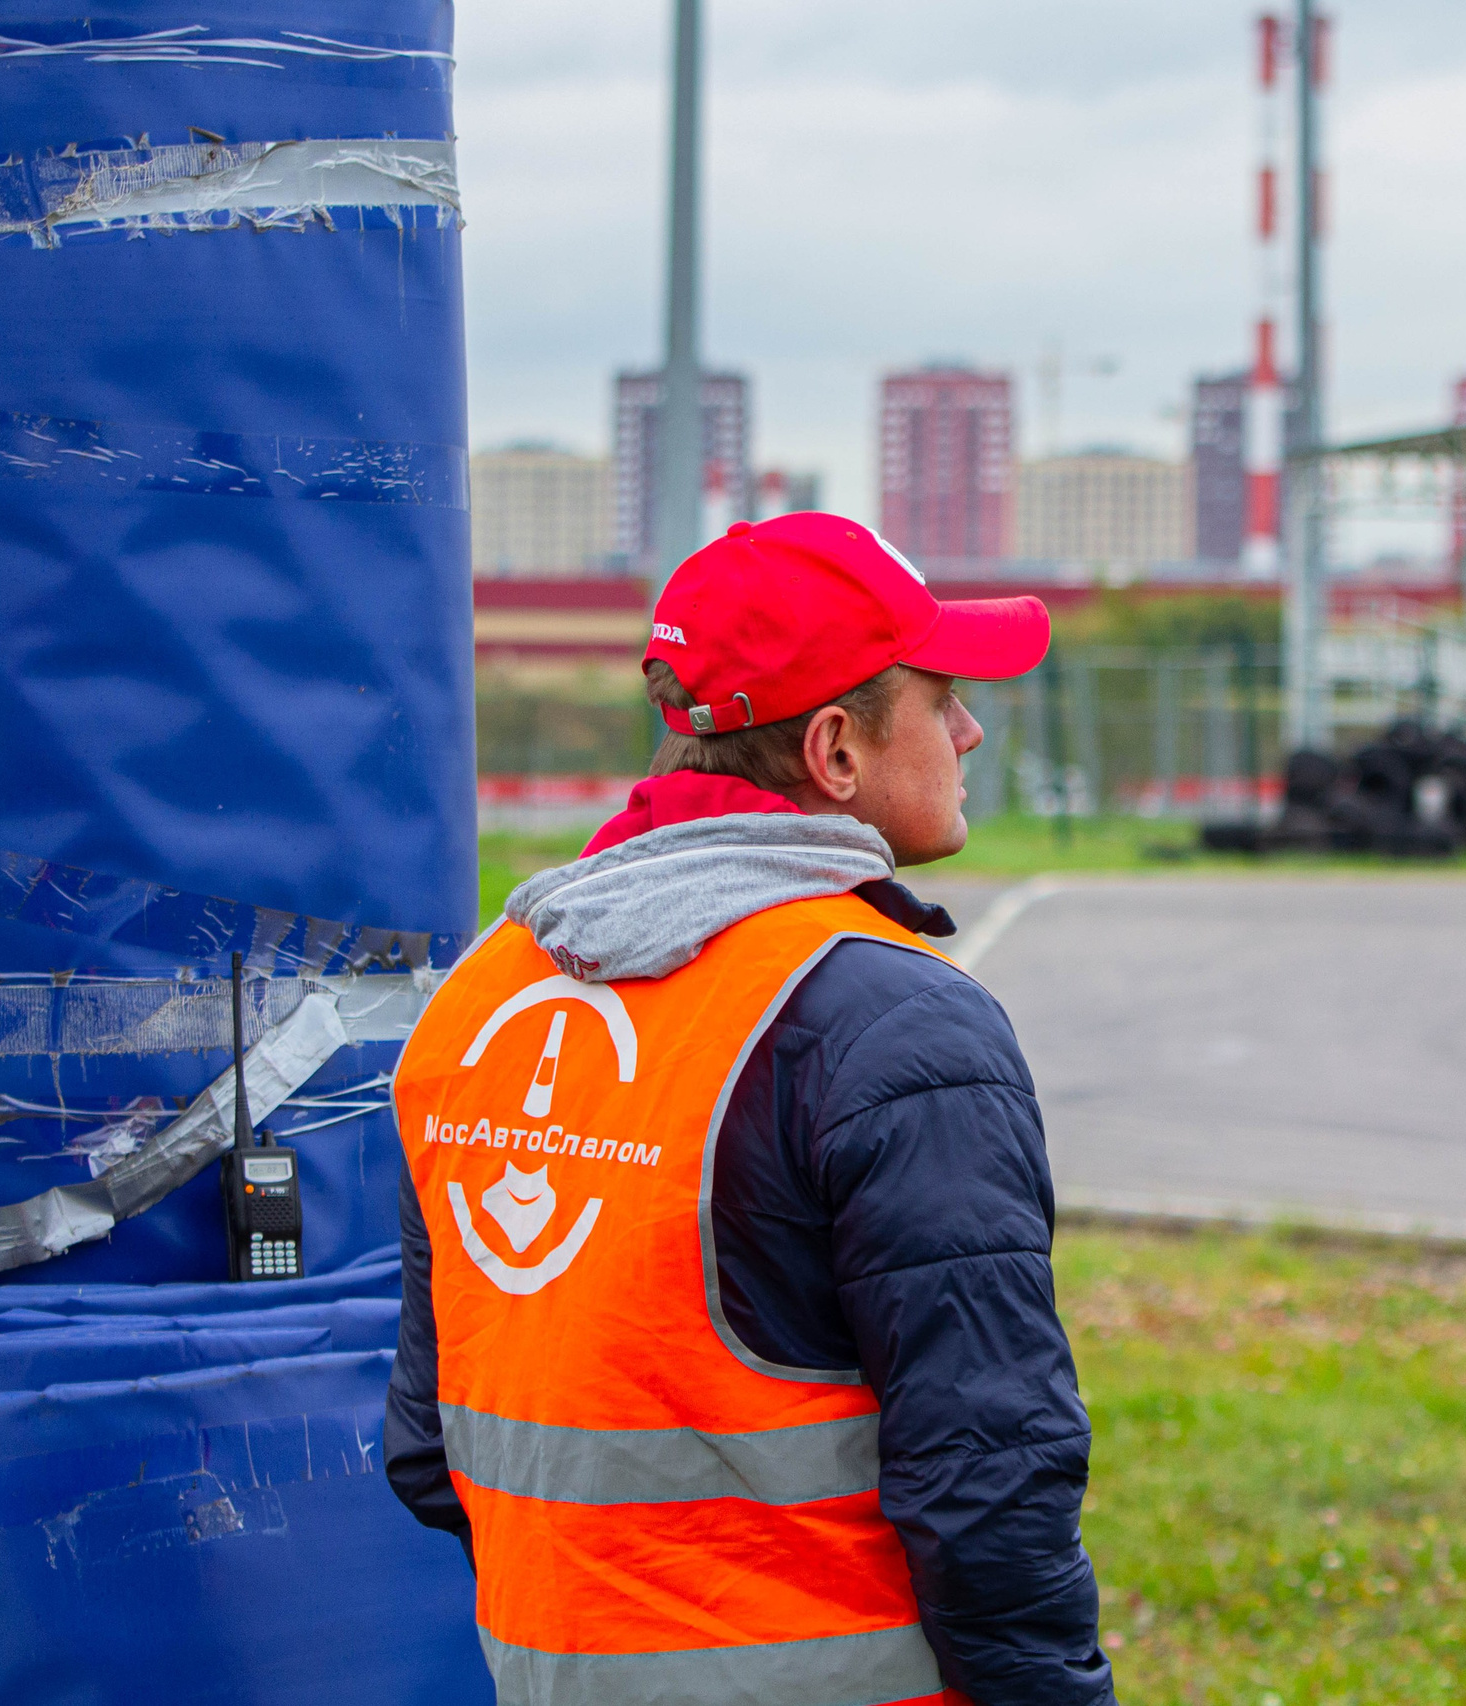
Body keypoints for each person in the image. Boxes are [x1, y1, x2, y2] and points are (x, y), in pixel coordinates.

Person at [387, 512, 1114, 1706]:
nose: (971, 728)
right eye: (941, 698)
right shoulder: (894, 1022)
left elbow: (431, 1449)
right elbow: (989, 1486)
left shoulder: (479, 995)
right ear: (835, 751)